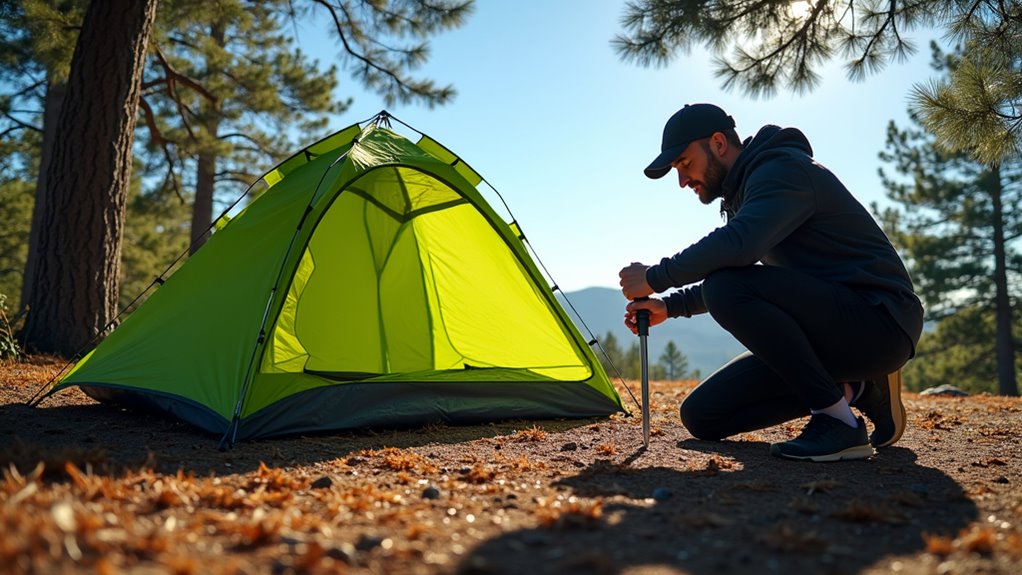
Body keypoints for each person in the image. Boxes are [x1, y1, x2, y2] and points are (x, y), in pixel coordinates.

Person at [619, 103, 924, 462]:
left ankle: (837, 422)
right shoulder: (746, 191)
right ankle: (857, 389)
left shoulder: (783, 171)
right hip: (829, 331)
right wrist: (669, 306)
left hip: (879, 324)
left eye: (684, 164)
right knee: (703, 415)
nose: (682, 180)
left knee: (725, 287)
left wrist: (655, 276)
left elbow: (737, 248)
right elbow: (744, 270)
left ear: (718, 143)